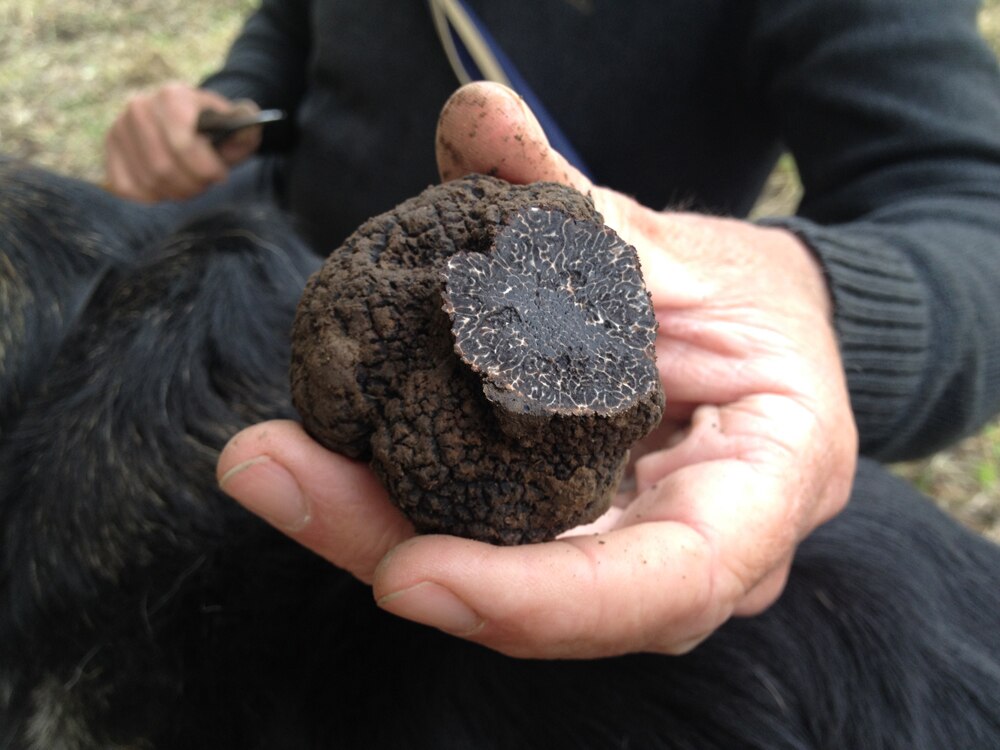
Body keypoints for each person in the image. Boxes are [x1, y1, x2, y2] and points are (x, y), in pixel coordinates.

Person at [106, 0, 1000, 659]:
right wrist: (234, 99)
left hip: (598, 427)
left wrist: (817, 294)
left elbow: (974, 210)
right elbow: (297, 25)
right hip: (279, 317)